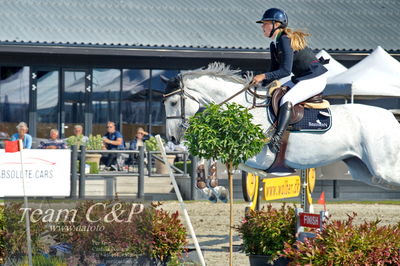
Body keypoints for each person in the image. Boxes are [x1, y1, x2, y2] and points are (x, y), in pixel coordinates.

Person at [252, 8, 328, 153]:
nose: (262, 27)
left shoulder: (285, 40)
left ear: (276, 24)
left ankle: (277, 139)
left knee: (286, 99)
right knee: (274, 94)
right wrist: (260, 84)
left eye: (265, 23)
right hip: (302, 78)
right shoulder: (275, 43)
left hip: (314, 78)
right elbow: (274, 70)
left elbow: (285, 71)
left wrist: (263, 76)